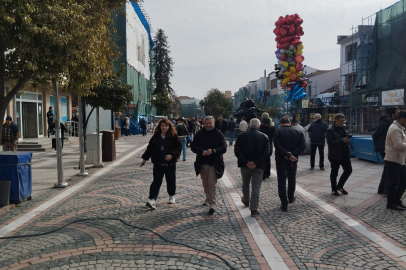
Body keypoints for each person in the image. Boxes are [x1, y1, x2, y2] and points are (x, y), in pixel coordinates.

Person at [141, 119, 182, 210]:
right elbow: (150, 148)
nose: (164, 127)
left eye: (166, 126)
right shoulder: (156, 136)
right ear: (160, 126)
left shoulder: (174, 136)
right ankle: (152, 199)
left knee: (170, 180)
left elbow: (178, 148)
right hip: (158, 163)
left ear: (169, 126)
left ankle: (171, 196)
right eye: (162, 126)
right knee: (156, 181)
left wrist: (172, 155)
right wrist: (145, 158)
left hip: (170, 164)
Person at [191, 116, 227, 214]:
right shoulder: (199, 134)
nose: (208, 125)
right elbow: (193, 146)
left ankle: (212, 203)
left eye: (210, 123)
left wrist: (213, 151)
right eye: (206, 123)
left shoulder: (219, 134)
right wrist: (201, 151)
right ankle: (208, 198)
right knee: (205, 184)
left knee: (212, 183)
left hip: (214, 163)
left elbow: (224, 148)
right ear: (203, 123)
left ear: (213, 123)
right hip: (202, 162)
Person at [234, 118, 270, 216]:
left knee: (245, 183)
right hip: (259, 166)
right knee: (256, 186)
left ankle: (246, 200)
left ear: (249, 126)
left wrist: (246, 162)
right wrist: (256, 163)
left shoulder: (241, 135)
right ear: (258, 126)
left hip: (245, 165)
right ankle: (254, 209)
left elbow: (237, 151)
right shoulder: (264, 136)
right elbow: (267, 152)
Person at [274, 117, 305, 212]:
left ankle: (284, 203)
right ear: (290, 123)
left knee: (282, 181)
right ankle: (291, 197)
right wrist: (293, 155)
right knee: (292, 178)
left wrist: (287, 154)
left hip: (281, 159)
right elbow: (302, 146)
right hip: (293, 159)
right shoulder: (298, 132)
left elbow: (277, 146)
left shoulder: (278, 131)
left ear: (280, 123)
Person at [373, 107, 399, 195]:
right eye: (397, 113)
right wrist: (378, 146)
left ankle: (382, 189)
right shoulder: (385, 122)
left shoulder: (391, 122)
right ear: (392, 114)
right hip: (384, 147)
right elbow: (375, 135)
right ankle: (386, 190)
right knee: (390, 167)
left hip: (386, 147)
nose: (398, 114)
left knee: (387, 167)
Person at [384, 110, 406, 211]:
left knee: (403, 180)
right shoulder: (395, 129)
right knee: (393, 183)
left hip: (399, 159)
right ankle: (391, 203)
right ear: (402, 119)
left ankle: (396, 200)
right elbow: (398, 145)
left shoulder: (399, 128)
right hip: (393, 160)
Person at [326, 114, 352, 196]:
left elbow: (344, 137)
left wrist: (348, 138)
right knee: (334, 172)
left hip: (344, 153)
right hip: (334, 154)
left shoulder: (343, 127)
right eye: (341, 120)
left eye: (344, 120)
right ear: (336, 120)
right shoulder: (330, 130)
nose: (343, 122)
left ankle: (340, 186)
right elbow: (330, 143)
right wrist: (342, 141)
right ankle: (334, 189)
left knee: (348, 170)